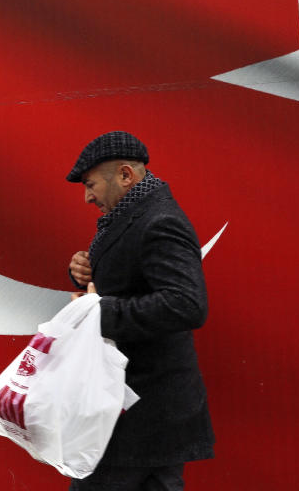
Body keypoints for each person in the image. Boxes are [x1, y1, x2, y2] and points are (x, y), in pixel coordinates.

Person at [65, 131, 214, 491]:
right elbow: (132, 279)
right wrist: (82, 271)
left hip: (142, 415)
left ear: (126, 176)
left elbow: (186, 304)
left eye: (91, 185)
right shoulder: (133, 214)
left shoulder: (160, 220)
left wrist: (97, 313)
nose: (87, 197)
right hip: (136, 415)